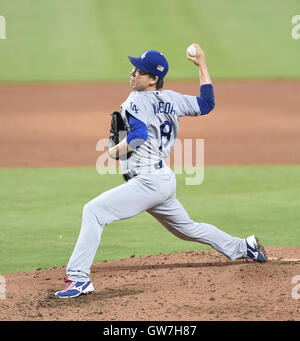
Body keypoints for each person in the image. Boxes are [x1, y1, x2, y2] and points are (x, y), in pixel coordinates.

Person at [55, 43, 266, 298]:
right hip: (161, 179)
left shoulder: (134, 101)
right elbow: (207, 103)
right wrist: (202, 65)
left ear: (154, 79)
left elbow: (138, 137)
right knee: (188, 229)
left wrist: (112, 152)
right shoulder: (172, 98)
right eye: (134, 68)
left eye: (140, 71)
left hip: (148, 183)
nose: (133, 73)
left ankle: (79, 279)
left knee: (94, 212)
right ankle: (245, 247)